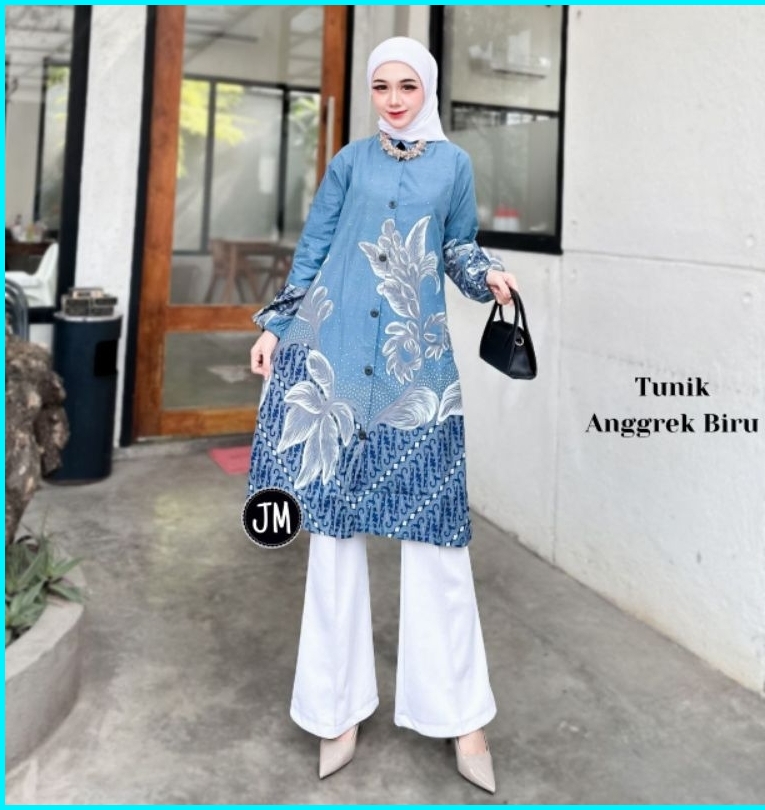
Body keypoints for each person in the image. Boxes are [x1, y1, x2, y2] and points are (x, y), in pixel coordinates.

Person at [248, 36, 518, 794]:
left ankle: (463, 718)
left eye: (407, 86)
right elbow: (315, 248)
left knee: (438, 539)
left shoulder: (453, 166)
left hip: (414, 374)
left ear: (426, 89)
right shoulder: (349, 162)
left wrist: (488, 276)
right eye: (381, 87)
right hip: (334, 363)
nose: (394, 99)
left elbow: (458, 247)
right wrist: (276, 327)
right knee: (333, 539)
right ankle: (335, 711)